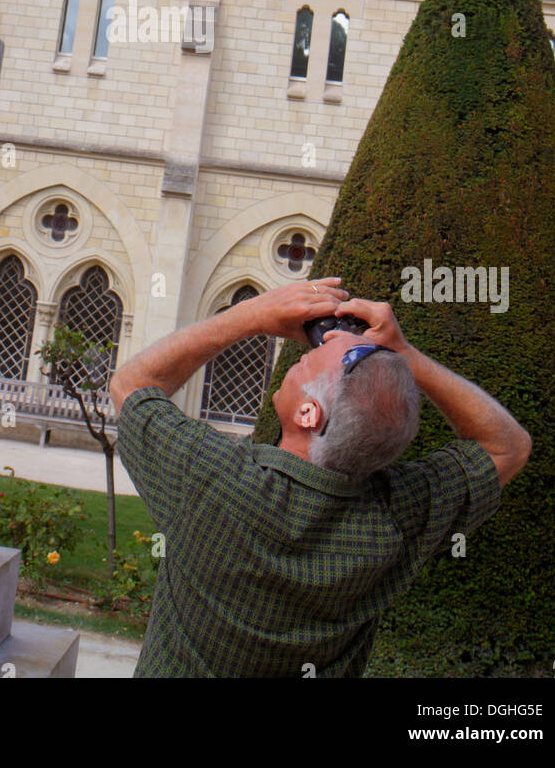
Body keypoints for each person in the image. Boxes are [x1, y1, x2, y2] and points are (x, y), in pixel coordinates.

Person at [109, 277, 531, 678]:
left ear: (308, 413)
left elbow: (132, 386)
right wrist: (405, 355)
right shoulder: (400, 516)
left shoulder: (213, 479)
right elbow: (506, 446)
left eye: (306, 360)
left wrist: (251, 314)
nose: (299, 358)